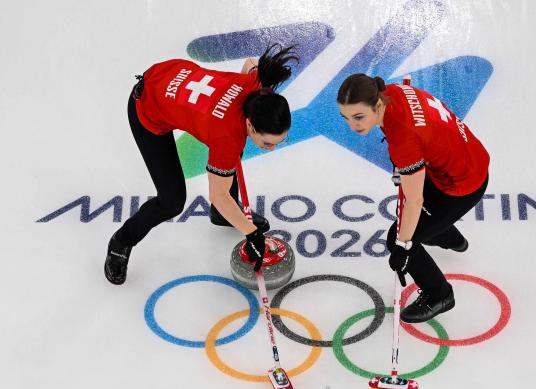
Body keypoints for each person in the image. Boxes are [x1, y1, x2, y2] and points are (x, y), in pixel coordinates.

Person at [104, 44, 299, 285]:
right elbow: (218, 194)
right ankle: (121, 240)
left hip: (173, 79)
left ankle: (224, 216)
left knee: (228, 155)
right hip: (148, 105)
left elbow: (250, 64)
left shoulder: (257, 91)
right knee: (171, 201)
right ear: (250, 124)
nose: (271, 148)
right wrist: (252, 234)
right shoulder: (227, 136)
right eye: (267, 143)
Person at [337, 74, 490, 323]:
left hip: (460, 184)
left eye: (358, 117)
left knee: (397, 238)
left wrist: (404, 247)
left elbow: (414, 200)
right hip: (465, 157)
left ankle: (439, 294)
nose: (352, 126)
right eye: (346, 117)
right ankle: (446, 234)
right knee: (414, 220)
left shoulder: (403, 139)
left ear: (377, 105)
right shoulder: (393, 92)